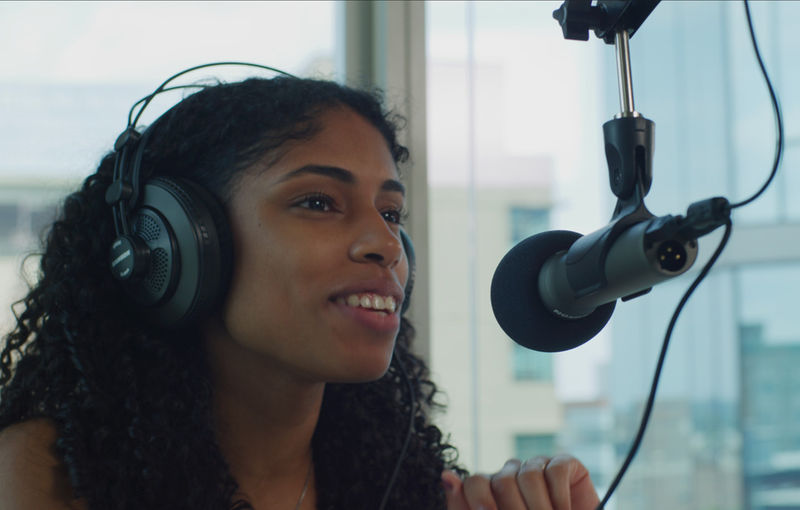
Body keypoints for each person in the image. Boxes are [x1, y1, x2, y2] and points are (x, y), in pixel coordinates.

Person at [0, 72, 600, 510]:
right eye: (318, 202)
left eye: (391, 213)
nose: (386, 245)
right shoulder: (44, 476)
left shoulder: (400, 485)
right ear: (174, 248)